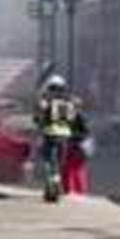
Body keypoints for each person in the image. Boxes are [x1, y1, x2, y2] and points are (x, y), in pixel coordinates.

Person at [35, 74, 86, 203]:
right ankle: (56, 183)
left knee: (48, 161)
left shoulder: (48, 104)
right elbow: (77, 122)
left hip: (50, 137)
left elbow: (40, 120)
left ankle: (51, 183)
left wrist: (39, 120)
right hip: (63, 140)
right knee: (58, 163)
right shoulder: (69, 104)